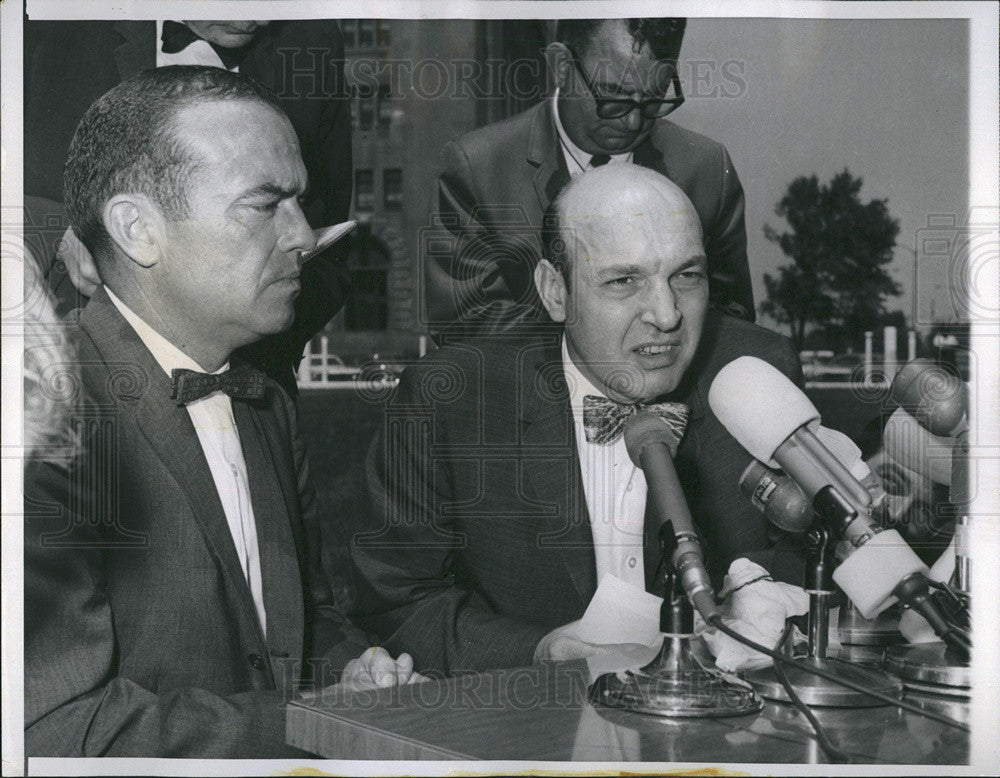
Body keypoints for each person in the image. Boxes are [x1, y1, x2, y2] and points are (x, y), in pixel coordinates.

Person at [23, 66, 417, 759]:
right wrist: (311, 723)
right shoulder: (41, 426)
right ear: (137, 228)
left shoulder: (263, 399)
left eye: (300, 202)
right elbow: (57, 729)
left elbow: (301, 625)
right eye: (266, 205)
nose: (303, 236)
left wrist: (358, 671)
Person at [351, 165, 804, 675]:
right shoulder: (451, 400)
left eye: (687, 275)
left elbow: (813, 554)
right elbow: (393, 603)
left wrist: (761, 605)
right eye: (623, 280)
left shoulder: (756, 372)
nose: (667, 314)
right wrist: (538, 652)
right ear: (555, 291)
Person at [24, 18, 353, 396]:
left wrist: (257, 347)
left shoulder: (314, 39)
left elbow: (329, 243)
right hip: (73, 375)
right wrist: (64, 232)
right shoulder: (44, 22)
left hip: (249, 383)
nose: (257, 18)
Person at [426, 17, 752, 341]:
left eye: (654, 97)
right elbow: (460, 324)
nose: (633, 121)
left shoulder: (707, 169)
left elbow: (732, 318)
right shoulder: (477, 167)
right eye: (612, 94)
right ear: (561, 65)